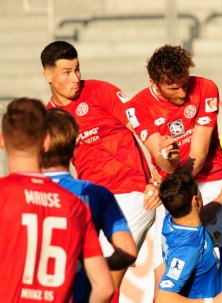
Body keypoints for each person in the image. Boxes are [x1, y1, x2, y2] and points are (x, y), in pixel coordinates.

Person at [40, 41, 156, 301]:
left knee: (104, 278)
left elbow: (142, 126)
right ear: (48, 75)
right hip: (92, 201)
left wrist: (158, 173)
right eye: (67, 72)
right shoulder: (50, 119)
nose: (76, 78)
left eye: (78, 69)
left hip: (134, 193)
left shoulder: (100, 91)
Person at [125, 44, 222, 290]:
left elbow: (199, 153)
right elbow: (160, 157)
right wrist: (169, 159)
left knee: (212, 265)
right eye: (174, 88)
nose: (184, 93)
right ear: (154, 82)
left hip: (212, 179)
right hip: (172, 189)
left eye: (185, 82)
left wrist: (168, 182)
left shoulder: (206, 87)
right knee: (163, 272)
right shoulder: (138, 106)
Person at [0, 98, 114, 302]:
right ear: (46, 141)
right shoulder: (74, 204)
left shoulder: (4, 194)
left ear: (2, 140)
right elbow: (104, 287)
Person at [40, 107, 137, 302]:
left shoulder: (13, 192)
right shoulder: (97, 194)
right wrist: (91, 265)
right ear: (75, 146)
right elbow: (127, 252)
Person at [156, 172, 222, 303]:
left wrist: (221, 199)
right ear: (196, 200)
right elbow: (163, 298)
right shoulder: (188, 249)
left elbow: (197, 216)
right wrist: (213, 302)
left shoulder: (171, 219)